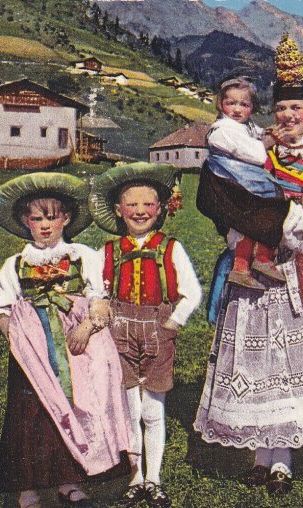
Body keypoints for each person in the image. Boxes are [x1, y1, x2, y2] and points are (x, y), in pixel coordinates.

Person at [194, 35, 303, 496]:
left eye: (296, 110)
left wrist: (270, 222)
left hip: (297, 263)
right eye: (281, 109)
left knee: (287, 359)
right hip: (254, 265)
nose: (288, 116)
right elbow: (229, 199)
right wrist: (246, 225)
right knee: (256, 360)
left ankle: (282, 459)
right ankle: (260, 454)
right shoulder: (258, 151)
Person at [0, 173, 132, 508]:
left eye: (51, 217)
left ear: (66, 218)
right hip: (34, 351)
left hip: (77, 345)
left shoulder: (82, 256)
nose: (44, 225)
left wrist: (86, 329)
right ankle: (29, 487)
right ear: (25, 221)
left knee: (77, 404)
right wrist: (18, 340)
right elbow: (3, 308)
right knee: (34, 413)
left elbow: (100, 302)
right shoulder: (16, 264)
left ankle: (71, 480)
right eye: (36, 218)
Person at [89, 163, 203, 508]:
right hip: (118, 335)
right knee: (129, 409)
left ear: (161, 208)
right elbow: (95, 291)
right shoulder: (107, 252)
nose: (140, 211)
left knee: (153, 410)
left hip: (158, 333)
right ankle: (135, 478)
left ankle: (154, 478)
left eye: (148, 204)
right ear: (117, 211)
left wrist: (173, 322)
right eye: (132, 205)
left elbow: (192, 292)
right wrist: (100, 311)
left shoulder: (171, 248)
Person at [206, 76, 291, 290]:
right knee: (257, 215)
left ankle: (256, 260)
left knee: (259, 218)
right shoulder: (221, 129)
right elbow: (249, 152)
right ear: (220, 104)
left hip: (242, 179)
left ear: (251, 108)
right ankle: (248, 264)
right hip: (230, 181)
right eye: (230, 103)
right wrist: (267, 144)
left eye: (243, 104)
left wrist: (268, 135)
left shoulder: (246, 127)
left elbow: (255, 137)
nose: (236, 109)